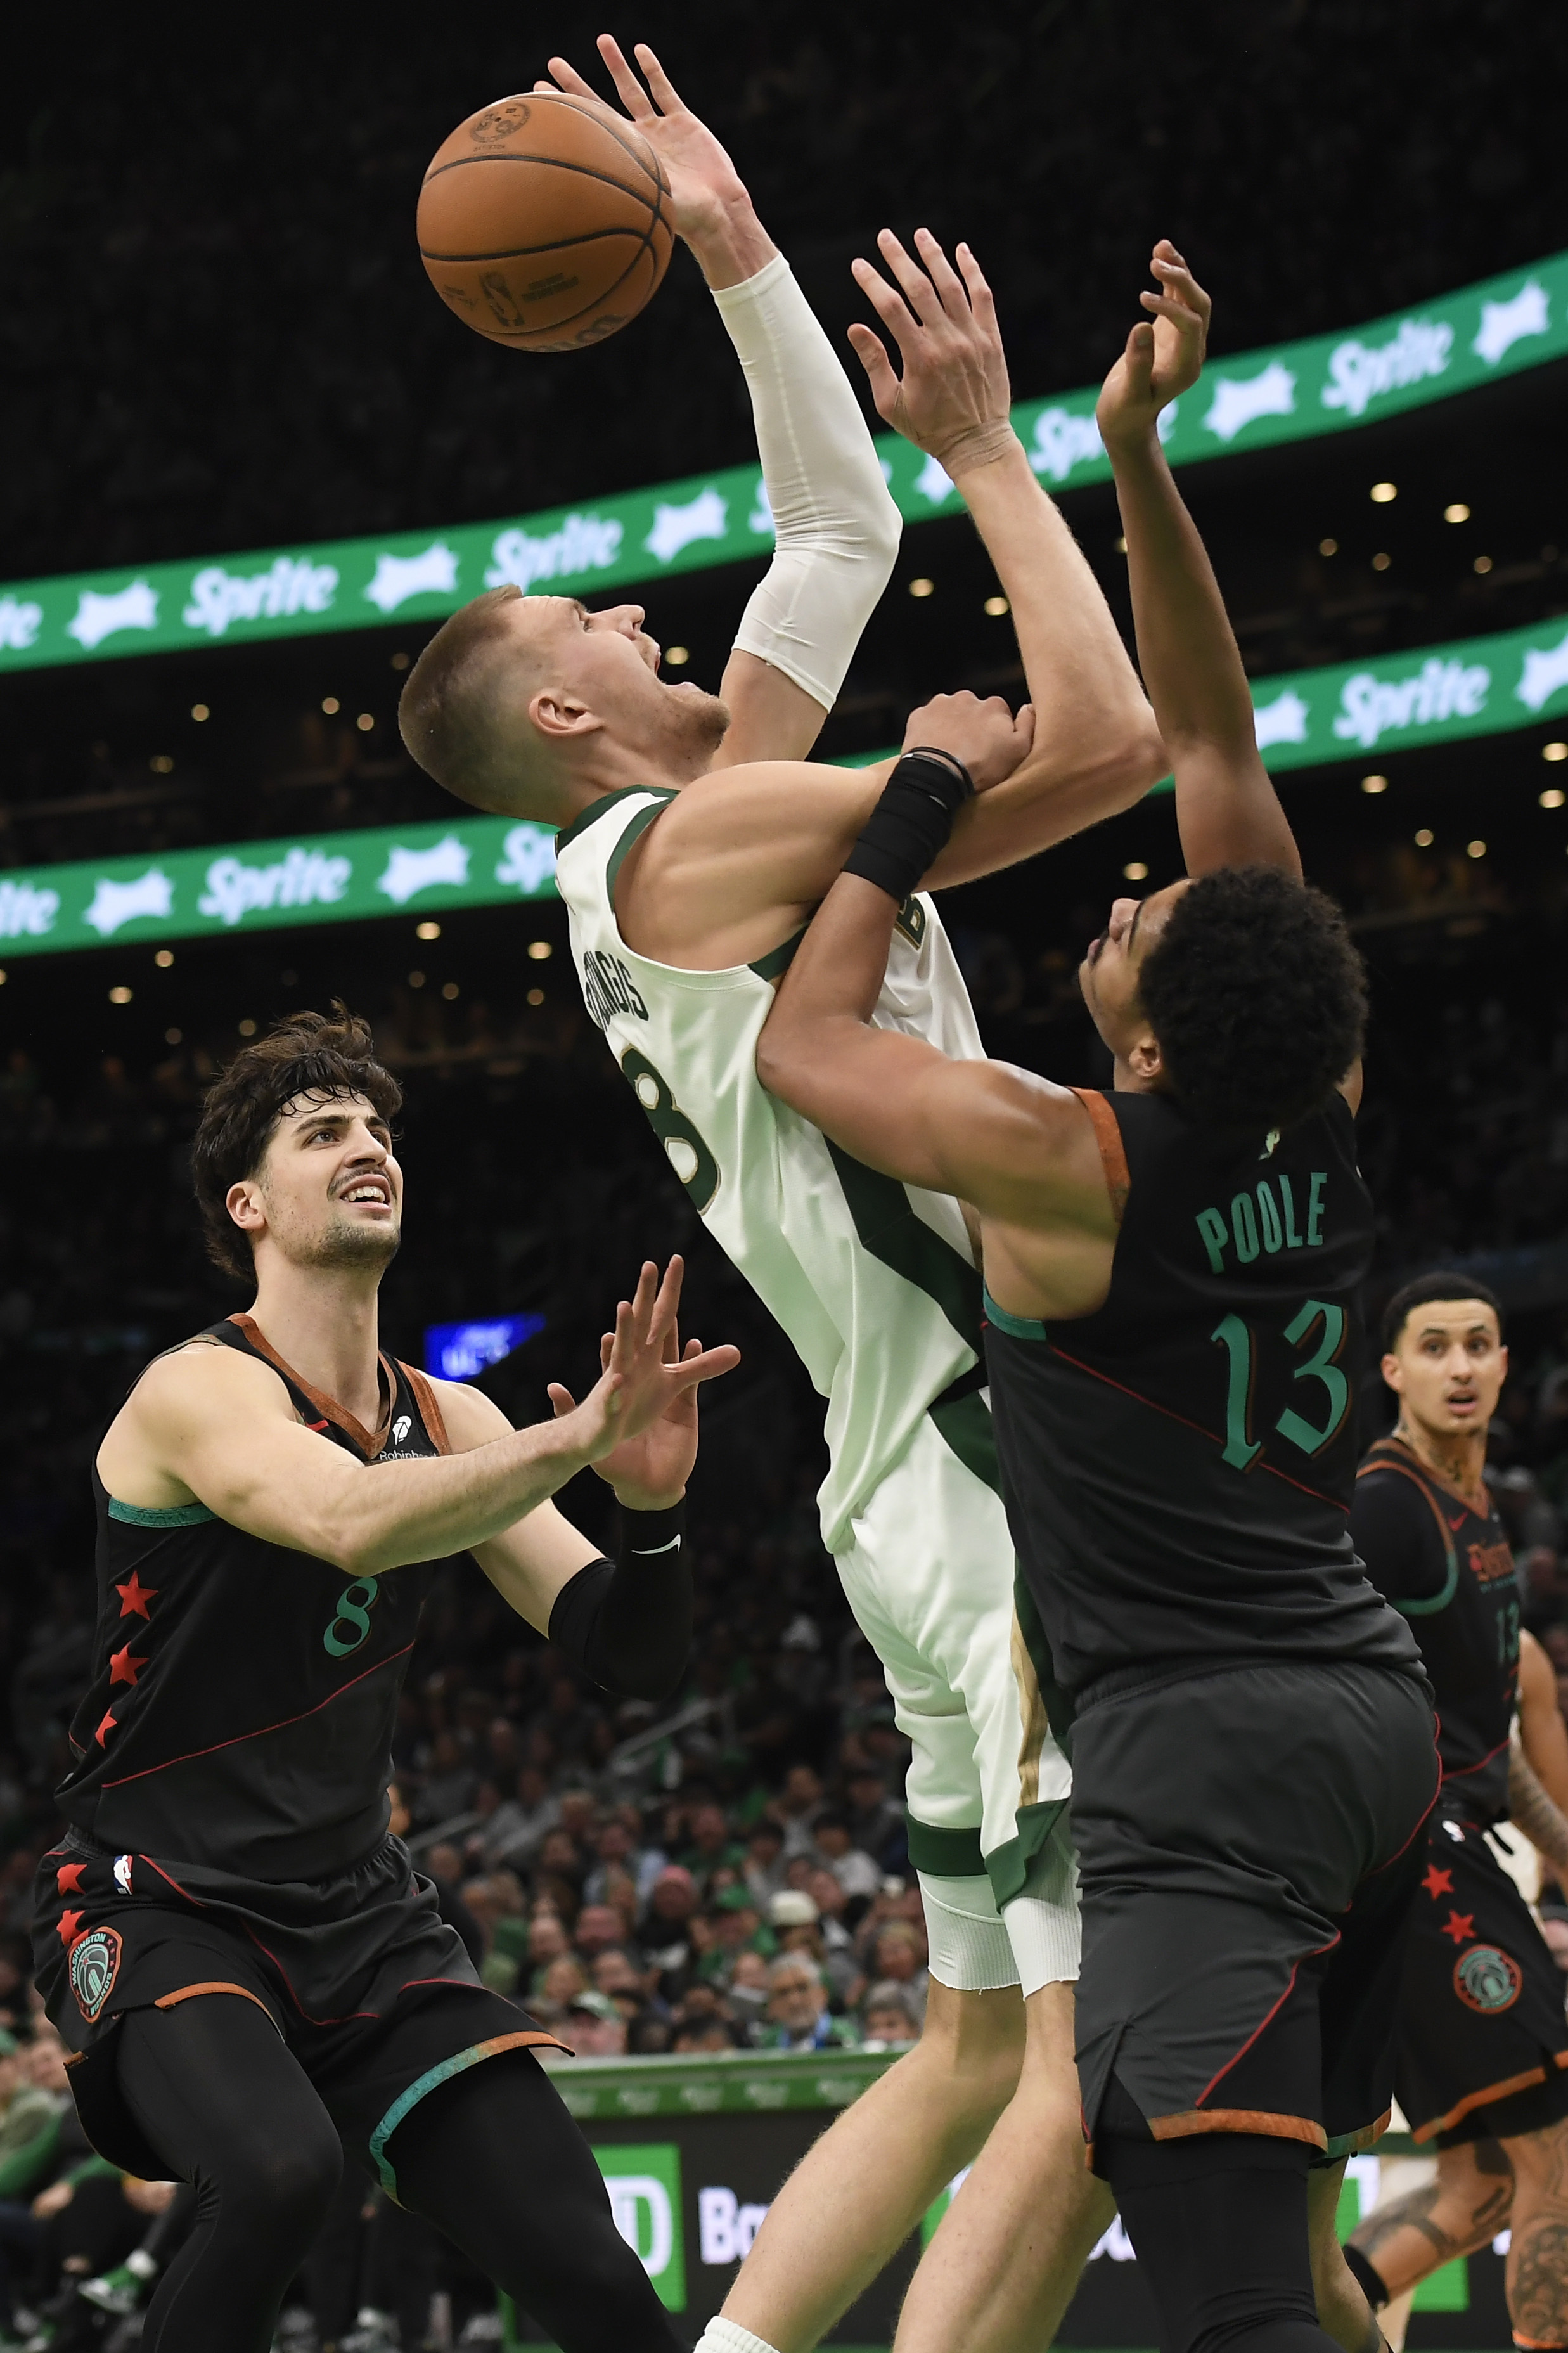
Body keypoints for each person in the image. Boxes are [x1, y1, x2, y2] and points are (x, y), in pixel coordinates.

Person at [399, 41, 1162, 2353]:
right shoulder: (681, 844)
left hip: (905, 1469)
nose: (644, 626)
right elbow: (1109, 737)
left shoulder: (702, 844)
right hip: (979, 1451)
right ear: (560, 722)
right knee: (1091, 2043)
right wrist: (1001, 458)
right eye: (598, 635)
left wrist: (728, 239)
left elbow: (831, 540)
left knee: (961, 2054)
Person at [757, 244, 1439, 2353]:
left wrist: (920, 795)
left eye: (1135, 911)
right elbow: (1211, 730)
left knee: (1233, 2290)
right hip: (1367, 1713)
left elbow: (800, 1047)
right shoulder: (1307, 1099)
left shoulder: (1072, 1158)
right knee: (1359, 2254)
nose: (1127, 890)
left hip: (1203, 1770)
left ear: (1145, 1033)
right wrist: (1126, 455)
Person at [30, 1008, 737, 2353]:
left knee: (590, 2270)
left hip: (361, 1911)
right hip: (162, 1896)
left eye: (381, 1129)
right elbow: (352, 1517)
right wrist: (577, 1431)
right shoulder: (197, 1390)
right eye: (324, 1131)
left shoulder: (451, 1413)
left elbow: (625, 1650)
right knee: (279, 2173)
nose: (370, 1148)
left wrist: (650, 1511)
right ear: (247, 1204)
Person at [1346, 1275, 1568, 2349]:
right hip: (1415, 1857)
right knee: (1556, 2156)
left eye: (1479, 1345)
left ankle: (1298, 2325)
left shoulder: (1481, 1516)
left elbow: (1496, 1751)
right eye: (1434, 1347)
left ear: (1503, 1364)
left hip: (1453, 1844)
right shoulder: (1384, 1504)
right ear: (1392, 1371)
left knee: (1477, 2189)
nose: (1462, 1365)